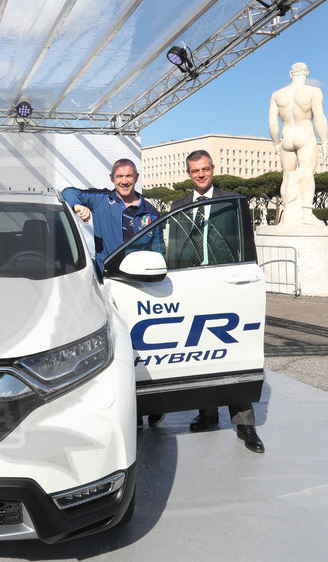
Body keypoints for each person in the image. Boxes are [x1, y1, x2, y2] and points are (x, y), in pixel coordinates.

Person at [170, 150, 265, 453]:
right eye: (195, 170)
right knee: (200, 354)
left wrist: (250, 281)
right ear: (189, 174)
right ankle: (207, 413)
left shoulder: (232, 202)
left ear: (213, 169)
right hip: (191, 290)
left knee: (232, 355)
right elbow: (174, 250)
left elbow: (247, 245)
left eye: (205, 169)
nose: (200, 174)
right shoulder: (178, 207)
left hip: (226, 289)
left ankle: (245, 425)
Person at [62, 159, 163, 429]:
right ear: (112, 177)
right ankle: (131, 407)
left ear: (137, 177)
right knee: (116, 345)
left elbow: (159, 251)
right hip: (108, 286)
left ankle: (151, 401)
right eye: (120, 176)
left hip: (141, 286)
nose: (125, 181)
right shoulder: (101, 201)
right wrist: (78, 206)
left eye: (129, 176)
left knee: (144, 345)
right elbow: (68, 191)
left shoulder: (150, 211)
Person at [268, 62, 328, 227]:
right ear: (307, 73)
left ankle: (288, 211)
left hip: (287, 137)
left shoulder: (277, 94)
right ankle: (307, 213)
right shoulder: (313, 91)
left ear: (290, 74)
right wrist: (324, 141)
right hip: (305, 135)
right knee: (307, 172)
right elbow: (319, 117)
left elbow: (272, 123)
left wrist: (276, 143)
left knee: (287, 175)